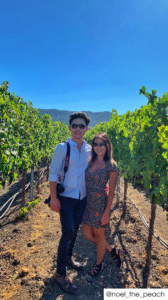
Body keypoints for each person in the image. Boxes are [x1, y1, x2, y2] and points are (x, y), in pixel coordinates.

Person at [49, 112, 91, 294]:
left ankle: (68, 258)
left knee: (74, 231)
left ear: (86, 129)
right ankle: (60, 274)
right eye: (75, 125)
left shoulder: (90, 149)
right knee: (67, 233)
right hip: (66, 198)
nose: (78, 129)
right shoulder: (62, 147)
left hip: (82, 198)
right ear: (69, 127)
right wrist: (53, 198)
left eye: (81, 126)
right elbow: (53, 173)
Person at [82, 132, 123, 277]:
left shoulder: (112, 166)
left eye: (102, 144)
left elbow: (111, 192)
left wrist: (106, 212)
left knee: (99, 237)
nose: (98, 147)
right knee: (86, 234)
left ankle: (98, 265)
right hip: (87, 203)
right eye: (96, 144)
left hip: (100, 205)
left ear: (107, 146)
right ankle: (112, 251)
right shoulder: (90, 161)